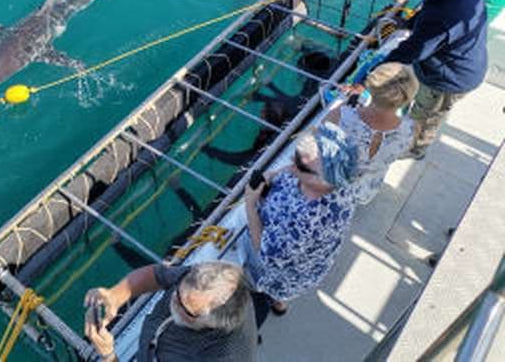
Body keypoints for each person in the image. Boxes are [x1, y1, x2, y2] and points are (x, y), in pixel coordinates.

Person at [348, 0, 488, 158]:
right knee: (420, 101)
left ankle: (414, 149)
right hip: (463, 55)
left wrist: (366, 82)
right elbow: (427, 10)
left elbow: (408, 51)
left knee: (424, 117)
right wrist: (409, 23)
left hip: (449, 79)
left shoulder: (444, 17)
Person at [238, 124, 358, 315]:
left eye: (300, 165)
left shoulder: (307, 221)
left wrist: (250, 205)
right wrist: (274, 175)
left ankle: (268, 300)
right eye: (295, 156)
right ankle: (280, 305)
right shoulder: (342, 179)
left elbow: (266, 251)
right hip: (308, 269)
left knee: (259, 282)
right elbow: (304, 164)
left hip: (276, 269)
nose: (291, 163)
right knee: (284, 293)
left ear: (323, 180)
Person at [83, 261, 258, 362]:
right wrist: (115, 296)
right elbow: (158, 275)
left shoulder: (224, 356)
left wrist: (108, 355)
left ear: (214, 323)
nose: (175, 304)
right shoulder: (197, 281)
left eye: (187, 311)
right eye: (177, 294)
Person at [324, 63, 419, 204]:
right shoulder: (412, 129)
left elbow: (317, 151)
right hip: (366, 189)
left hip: (333, 189)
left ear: (371, 88)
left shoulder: (340, 115)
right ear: (407, 98)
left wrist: (348, 102)